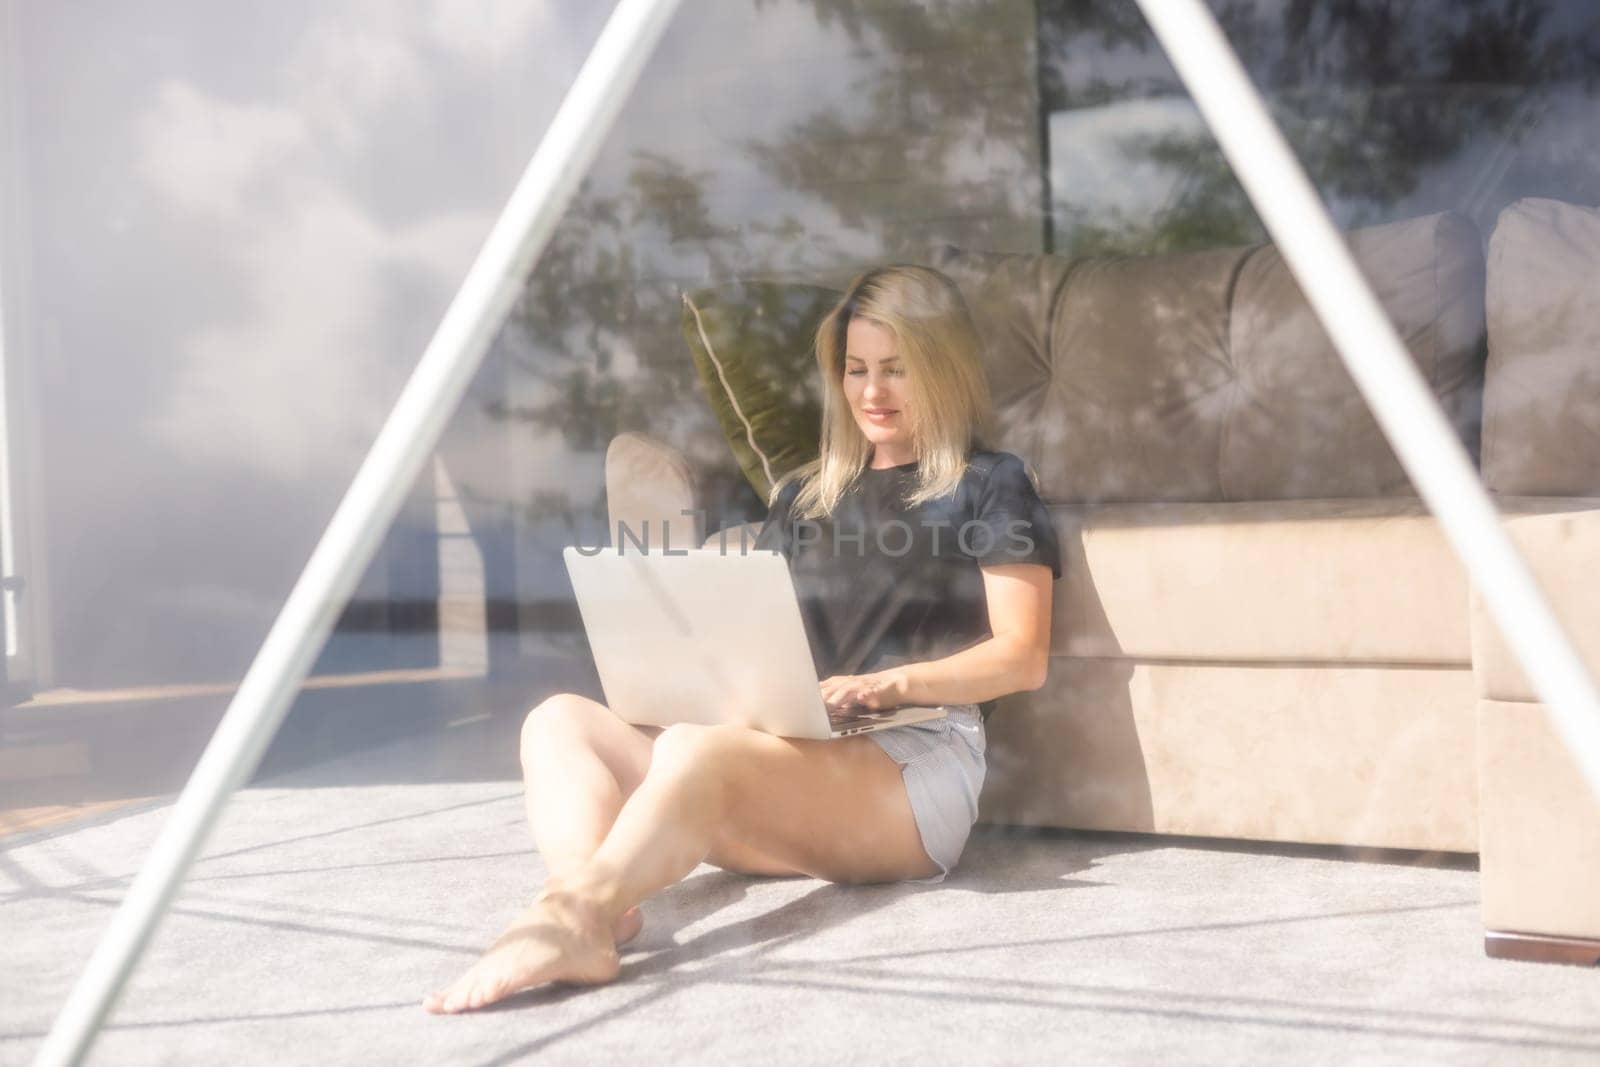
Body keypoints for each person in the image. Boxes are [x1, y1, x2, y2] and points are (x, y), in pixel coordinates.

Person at [423, 264, 1062, 1014]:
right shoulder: (806, 493)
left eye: (897, 370)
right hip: (793, 753)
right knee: (559, 722)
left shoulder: (991, 483)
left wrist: (893, 684)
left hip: (915, 765)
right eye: (855, 370)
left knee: (696, 751)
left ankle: (573, 917)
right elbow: (758, 636)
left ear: (941, 369)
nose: (872, 392)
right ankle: (601, 900)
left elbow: (1023, 655)